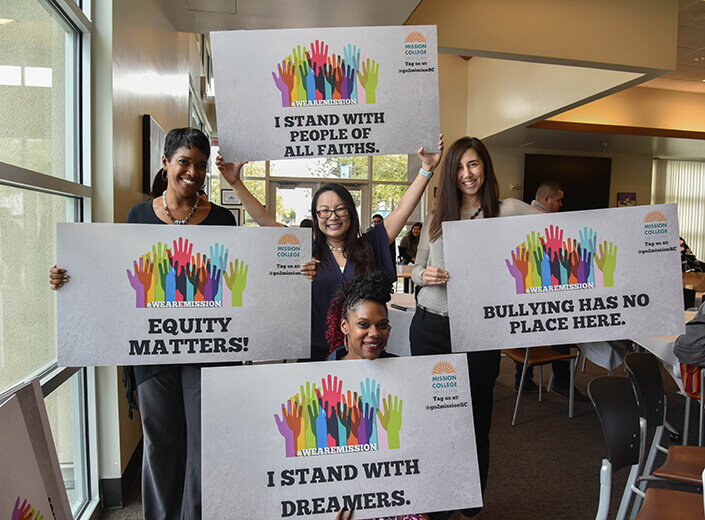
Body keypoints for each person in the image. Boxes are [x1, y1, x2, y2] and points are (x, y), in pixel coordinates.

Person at [50, 128, 241, 520]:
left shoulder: (223, 220)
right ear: (166, 163)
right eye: (184, 162)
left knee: (203, 443)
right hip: (152, 348)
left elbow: (240, 280)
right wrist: (69, 276)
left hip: (208, 349)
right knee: (159, 442)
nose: (193, 171)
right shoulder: (138, 216)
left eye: (201, 165)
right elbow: (116, 274)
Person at [216, 135, 443, 361]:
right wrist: (235, 182)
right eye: (324, 211)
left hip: (365, 349)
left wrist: (426, 169)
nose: (332, 217)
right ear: (316, 217)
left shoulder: (371, 244)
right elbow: (266, 221)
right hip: (316, 348)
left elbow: (402, 209)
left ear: (350, 213)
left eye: (340, 209)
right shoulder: (306, 249)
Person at [409, 136, 540, 520]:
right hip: (431, 328)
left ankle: (468, 498)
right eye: (460, 167)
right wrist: (425, 274)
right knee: (435, 418)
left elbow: (559, 232)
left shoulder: (508, 210)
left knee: (476, 417)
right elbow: (415, 270)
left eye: (474, 165)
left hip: (480, 331)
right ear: (450, 173)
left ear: (485, 167)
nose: (467, 174)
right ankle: (436, 501)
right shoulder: (436, 216)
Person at [327, 271, 430, 520]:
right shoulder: (320, 382)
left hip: (394, 486)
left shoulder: (405, 375)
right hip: (342, 494)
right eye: (363, 324)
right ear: (345, 326)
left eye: (382, 325)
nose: (374, 333)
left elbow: (420, 439)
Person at [519, 181, 587, 401]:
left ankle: (524, 379)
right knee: (561, 329)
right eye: (558, 200)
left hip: (526, 290)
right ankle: (561, 383)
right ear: (546, 199)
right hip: (544, 290)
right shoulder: (543, 222)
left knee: (525, 333)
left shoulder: (520, 218)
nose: (561, 204)